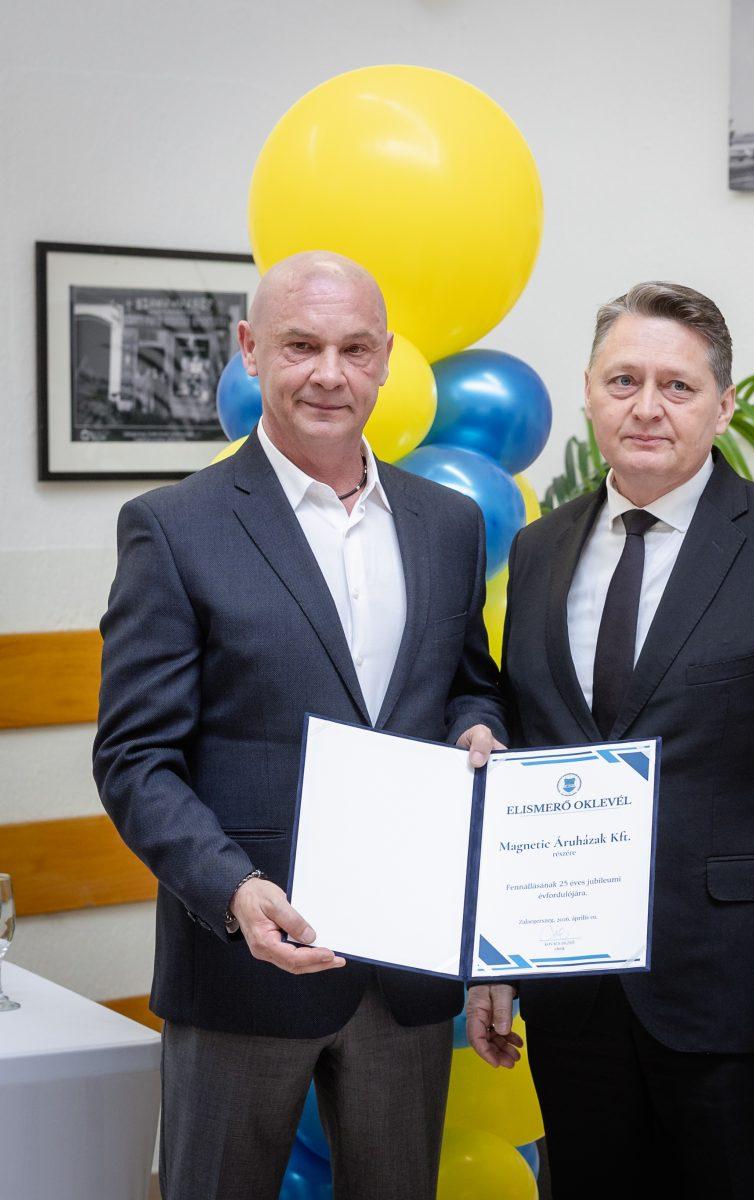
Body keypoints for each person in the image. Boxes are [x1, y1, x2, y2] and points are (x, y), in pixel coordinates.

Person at [467, 281, 754, 1199]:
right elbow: (527, 767)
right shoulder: (540, 552)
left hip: (740, 1005)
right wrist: (494, 959)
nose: (647, 407)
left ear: (723, 405)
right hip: (574, 997)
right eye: (624, 380)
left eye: (678, 386)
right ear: (590, 393)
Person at [94, 251, 506, 1200]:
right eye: (301, 346)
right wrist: (234, 892)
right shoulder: (174, 526)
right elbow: (135, 758)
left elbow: (468, 686)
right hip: (241, 964)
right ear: (249, 349)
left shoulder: (448, 524)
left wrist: (477, 729)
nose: (330, 374)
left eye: (355, 349)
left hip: (405, 972)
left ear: (387, 358)